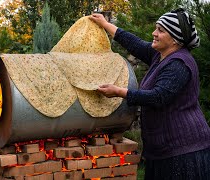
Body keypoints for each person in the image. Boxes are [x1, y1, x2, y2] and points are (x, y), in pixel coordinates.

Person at [90, 8, 210, 179]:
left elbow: (158, 97)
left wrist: (119, 92)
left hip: (183, 151)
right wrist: (105, 24)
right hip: (164, 149)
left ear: (175, 39)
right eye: (156, 28)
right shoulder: (160, 55)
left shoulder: (179, 64)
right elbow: (134, 43)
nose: (154, 33)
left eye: (160, 30)